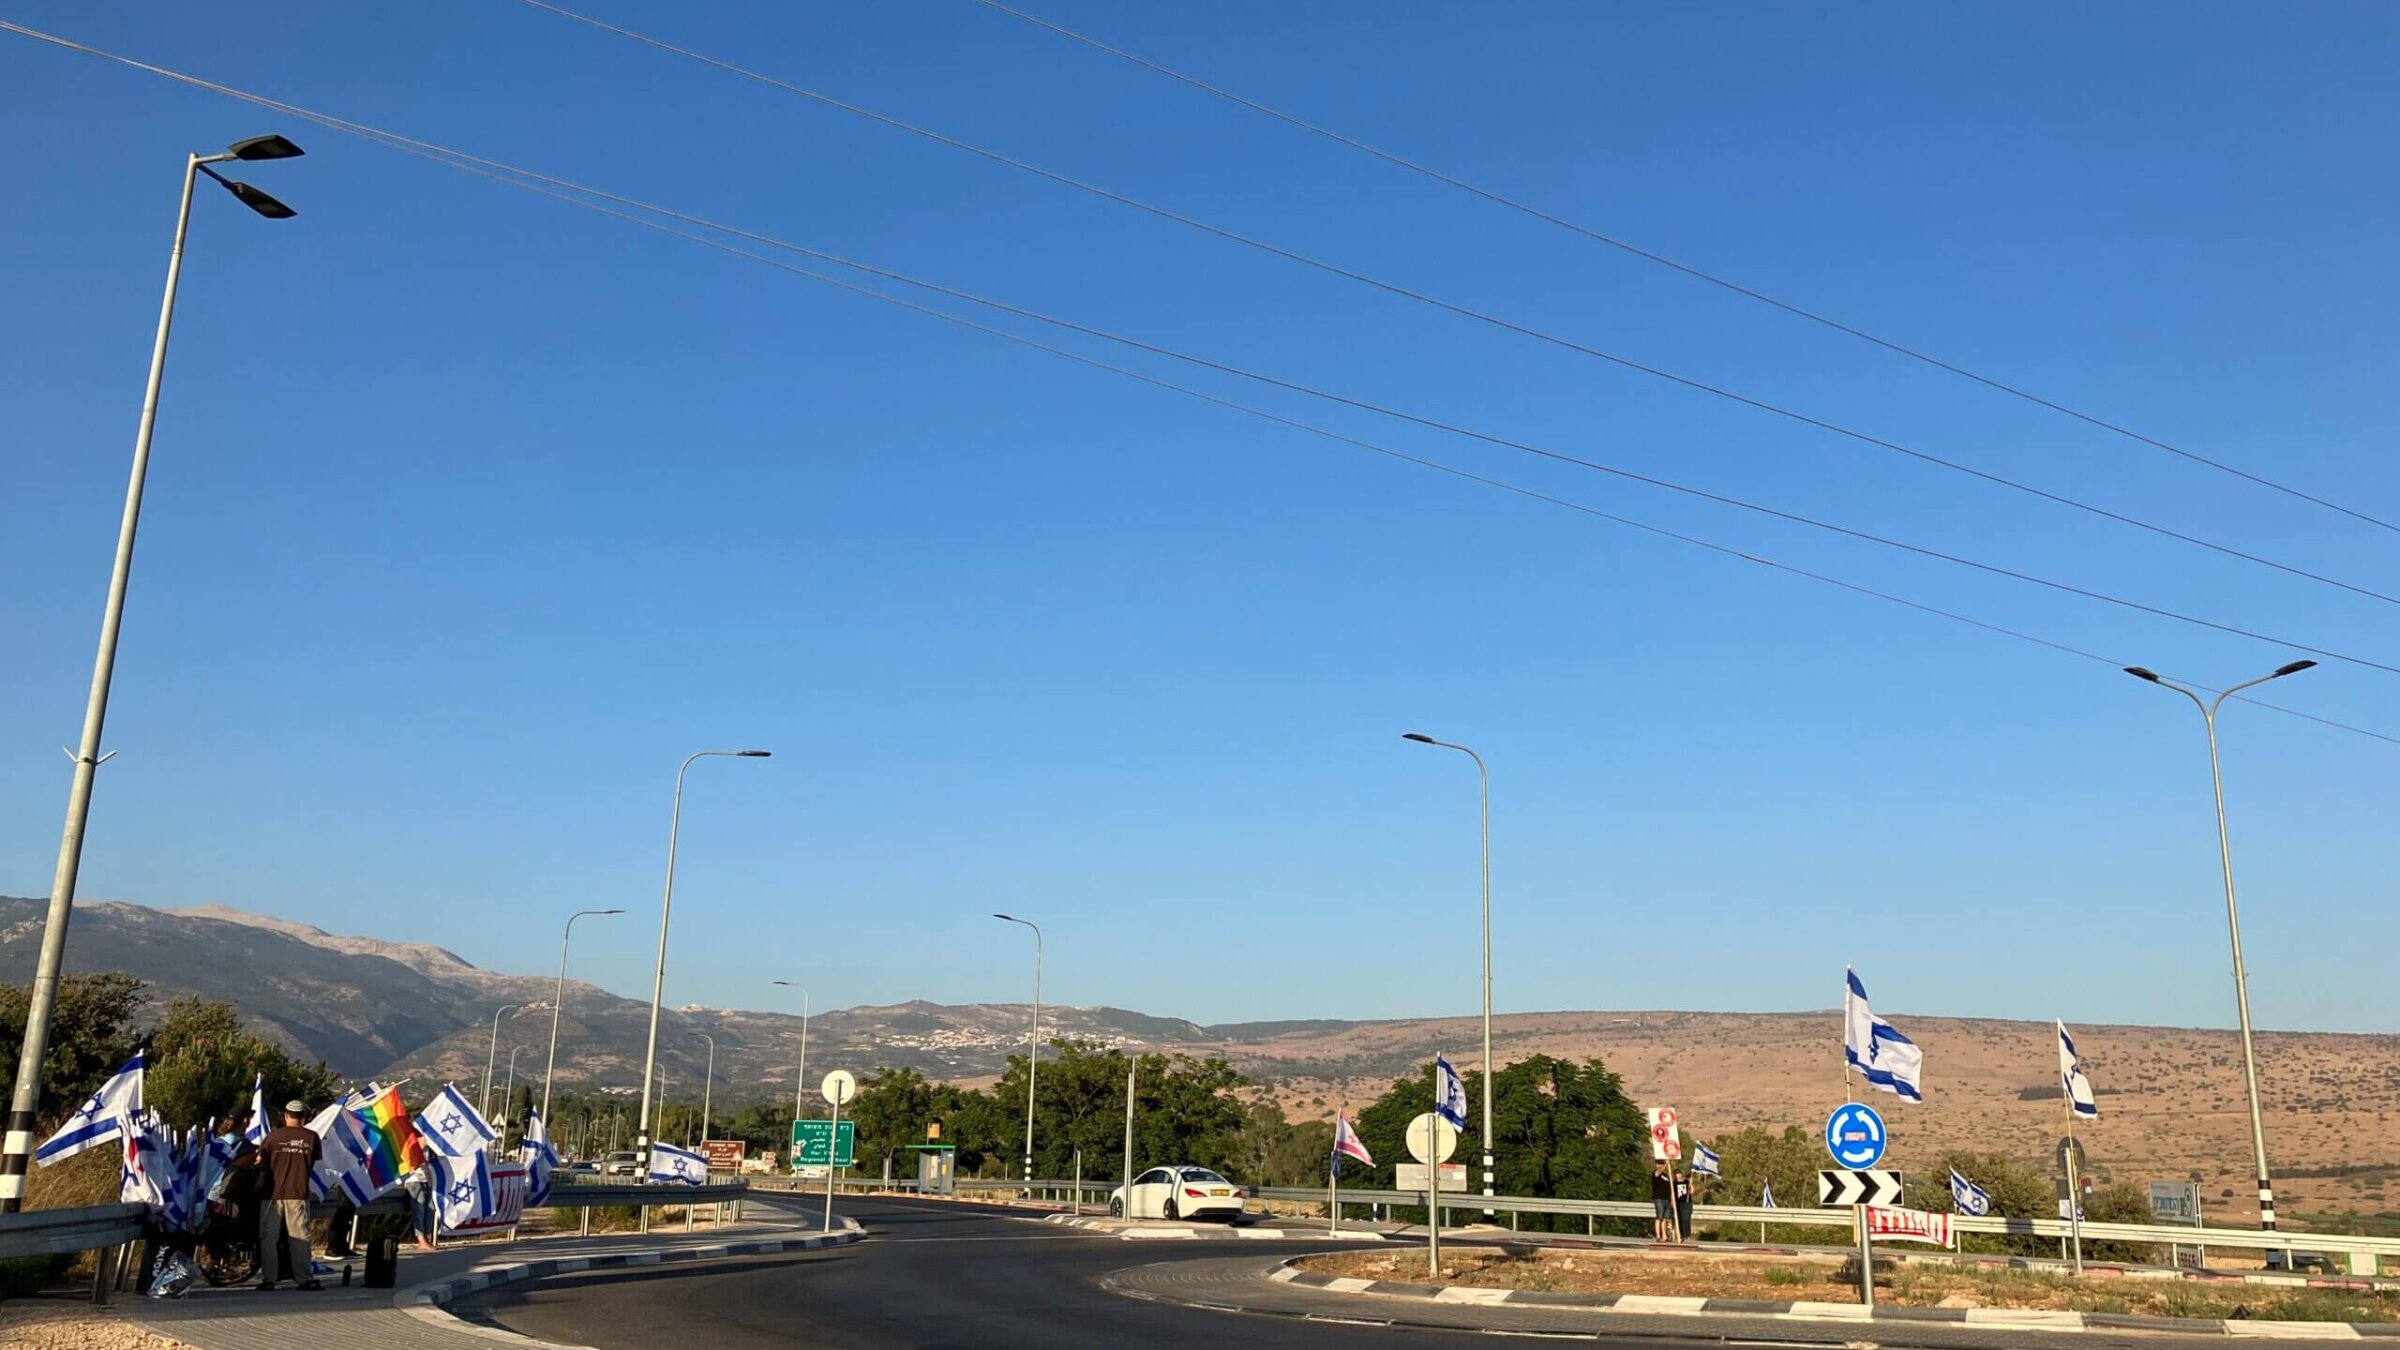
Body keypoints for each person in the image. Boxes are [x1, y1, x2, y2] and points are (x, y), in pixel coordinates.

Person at [248, 1100, 324, 1291]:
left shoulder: (273, 1137)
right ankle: (304, 1278)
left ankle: (269, 1279)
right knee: (299, 1236)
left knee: (268, 1237)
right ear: (304, 1117)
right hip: (297, 1192)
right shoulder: (311, 1137)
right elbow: (313, 1162)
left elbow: (261, 1162)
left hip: (271, 1195)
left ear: (286, 1116)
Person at [1650, 1161, 1675, 1243]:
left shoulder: (1666, 1176)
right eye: (1659, 1163)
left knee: (1665, 1218)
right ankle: (1658, 1235)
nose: (1660, 1165)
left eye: (1662, 1163)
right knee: (1659, 1217)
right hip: (1659, 1198)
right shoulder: (1656, 1173)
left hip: (1666, 1199)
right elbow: (1659, 1172)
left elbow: (1670, 1187)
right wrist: (1666, 1165)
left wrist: (1671, 1199)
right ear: (1656, 1164)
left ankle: (1664, 1235)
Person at [1673, 1167, 1695, 1242]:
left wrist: (1691, 1184)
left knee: (1686, 1219)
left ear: (1681, 1174)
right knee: (1679, 1220)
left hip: (1686, 1202)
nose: (1678, 1175)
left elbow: (1692, 1191)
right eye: (1676, 1174)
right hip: (1678, 1203)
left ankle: (1687, 1235)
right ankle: (1681, 1235)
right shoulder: (1674, 1183)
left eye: (1679, 1174)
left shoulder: (1686, 1182)